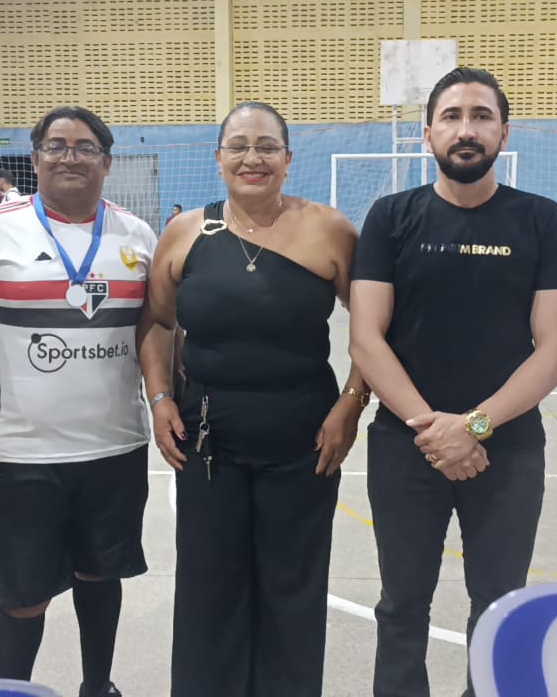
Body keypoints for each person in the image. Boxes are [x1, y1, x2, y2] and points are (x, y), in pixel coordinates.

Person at [349, 67, 557, 697]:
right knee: (401, 606)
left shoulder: (541, 220)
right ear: (428, 134)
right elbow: (366, 337)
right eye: (452, 116)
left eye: (481, 116)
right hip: (405, 447)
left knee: (500, 605)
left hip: (507, 447)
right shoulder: (392, 217)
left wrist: (472, 427)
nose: (466, 130)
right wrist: (433, 429)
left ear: (504, 132)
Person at [144, 101, 366, 697]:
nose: (252, 158)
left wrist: (352, 401)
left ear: (289, 160)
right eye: (238, 145)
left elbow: (373, 330)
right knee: (208, 590)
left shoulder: (332, 230)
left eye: (266, 146)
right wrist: (161, 395)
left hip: (305, 445)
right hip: (206, 443)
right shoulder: (185, 232)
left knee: (292, 589)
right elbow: (158, 325)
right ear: (218, 159)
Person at [0, 106, 156, 697]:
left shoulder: (137, 235)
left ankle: (97, 686)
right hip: (24, 454)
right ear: (35, 159)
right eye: (56, 146)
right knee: (23, 596)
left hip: (117, 448)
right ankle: (10, 691)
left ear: (106, 163)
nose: (70, 157)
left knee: (100, 576)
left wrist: (167, 403)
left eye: (85, 148)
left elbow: (158, 335)